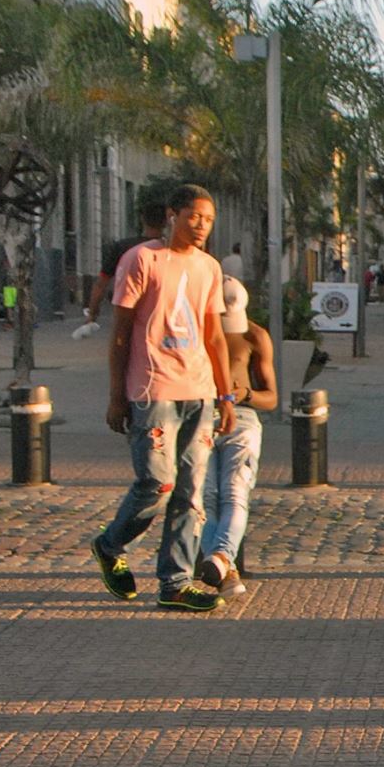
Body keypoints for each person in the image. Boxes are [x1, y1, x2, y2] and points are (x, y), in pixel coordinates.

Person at [91, 183, 238, 613]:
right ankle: (109, 543)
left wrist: (226, 395)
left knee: (191, 493)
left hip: (200, 392)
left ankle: (174, 583)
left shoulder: (210, 268)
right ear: (172, 215)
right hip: (151, 389)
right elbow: (120, 336)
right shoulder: (141, 260)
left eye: (209, 220)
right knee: (158, 482)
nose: (201, 226)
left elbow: (214, 335)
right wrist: (116, 396)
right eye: (194, 216)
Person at [197, 276, 278, 598]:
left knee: (234, 491)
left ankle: (219, 557)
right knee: (205, 498)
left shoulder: (254, 336)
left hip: (242, 419)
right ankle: (225, 567)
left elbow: (271, 398)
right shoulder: (196, 332)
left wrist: (244, 393)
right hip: (202, 416)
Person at [74, 200, 167, 339]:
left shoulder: (123, 247)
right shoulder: (170, 249)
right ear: (167, 221)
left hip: (127, 313)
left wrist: (92, 314)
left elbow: (101, 283)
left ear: (142, 219)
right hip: (163, 316)